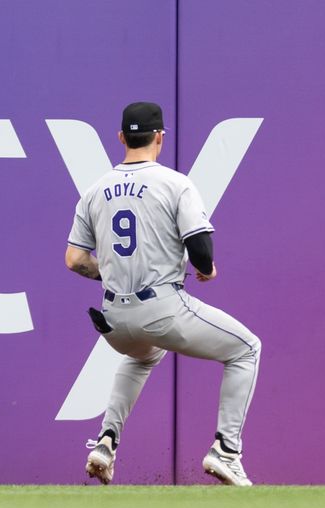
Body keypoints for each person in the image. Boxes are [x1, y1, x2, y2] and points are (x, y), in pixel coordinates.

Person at [65, 102, 261, 486]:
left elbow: (74, 259)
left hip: (113, 321)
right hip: (162, 309)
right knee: (246, 349)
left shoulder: (94, 191)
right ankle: (226, 449)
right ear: (160, 137)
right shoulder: (175, 183)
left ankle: (106, 441)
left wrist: (113, 272)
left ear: (121, 137)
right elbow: (201, 250)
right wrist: (206, 270)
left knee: (141, 357)